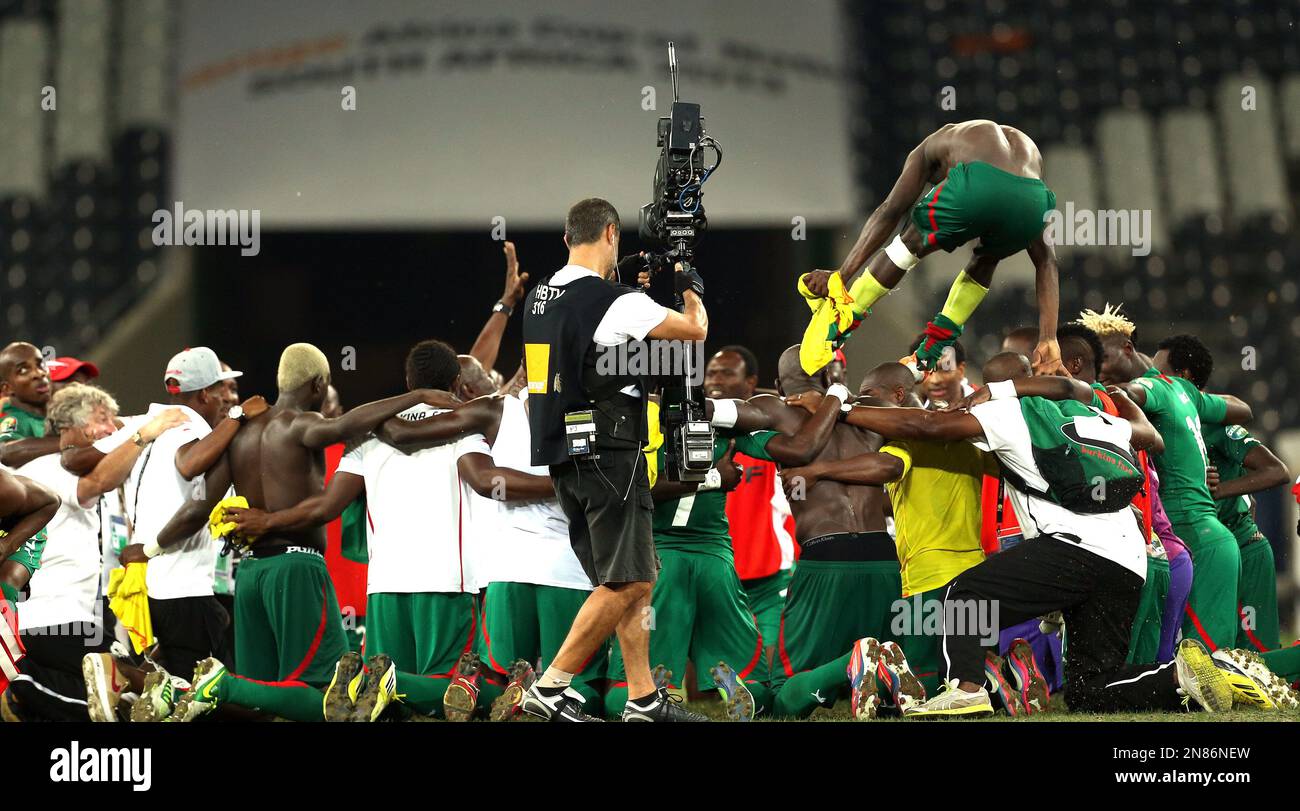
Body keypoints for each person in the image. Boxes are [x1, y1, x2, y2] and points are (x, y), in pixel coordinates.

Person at [790, 367, 1278, 716]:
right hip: (1130, 558)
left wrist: (845, 408)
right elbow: (1150, 436)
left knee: (966, 595)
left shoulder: (1013, 415)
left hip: (1075, 547)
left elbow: (927, 426)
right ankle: (1175, 679)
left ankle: (965, 688)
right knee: (1090, 689)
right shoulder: (1098, 420)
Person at [145, 343, 456, 722]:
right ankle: (217, 685)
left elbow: (198, 506)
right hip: (297, 569)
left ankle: (180, 690)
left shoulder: (239, 434)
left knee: (262, 698)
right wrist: (417, 395)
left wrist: (149, 548)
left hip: (251, 576)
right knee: (331, 691)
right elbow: (346, 424)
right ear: (319, 383)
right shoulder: (298, 422)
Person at [519, 197, 708, 722]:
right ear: (611, 232)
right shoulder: (614, 301)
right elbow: (694, 333)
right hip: (610, 453)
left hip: (564, 455)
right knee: (629, 580)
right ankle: (550, 687)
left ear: (565, 238)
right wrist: (692, 286)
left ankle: (643, 698)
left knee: (631, 576)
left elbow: (585, 359)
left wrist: (627, 300)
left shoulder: (540, 297)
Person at [800, 120, 1063, 376]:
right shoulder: (1014, 145)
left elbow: (889, 212)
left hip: (980, 185)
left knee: (911, 240)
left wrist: (842, 276)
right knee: (988, 258)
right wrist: (1049, 336)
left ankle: (844, 317)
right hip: (1035, 197)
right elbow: (1046, 262)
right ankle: (931, 350)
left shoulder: (926, 151)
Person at [9, 384, 186, 721]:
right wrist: (143, 434)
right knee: (140, 687)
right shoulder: (51, 467)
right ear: (72, 427)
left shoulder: (48, 467)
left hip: (60, 616)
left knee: (84, 702)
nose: (111, 427)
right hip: (56, 617)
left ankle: (21, 696)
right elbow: (99, 481)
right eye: (103, 418)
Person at [1084, 306, 1253, 652]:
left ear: (1127, 350)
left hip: (1188, 534)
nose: (1095, 364)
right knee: (1204, 659)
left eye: (1100, 354)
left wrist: (1094, 394)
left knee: (1204, 663)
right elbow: (1241, 407)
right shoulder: (1183, 390)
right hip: (1206, 537)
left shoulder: (1149, 387)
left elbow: (1132, 394)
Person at [1155, 334, 1290, 653]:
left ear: (1184, 376)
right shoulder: (1162, 421)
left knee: (1256, 660)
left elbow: (1277, 471)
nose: (1152, 378)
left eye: (1159, 372)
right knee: (1212, 653)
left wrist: (1220, 490)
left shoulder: (1215, 421)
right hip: (1203, 549)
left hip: (1243, 549)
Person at [705, 346, 797, 672]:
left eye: (727, 373)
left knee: (771, 673)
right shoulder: (698, 433)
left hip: (771, 575)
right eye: (711, 373)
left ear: (751, 383)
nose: (716, 380)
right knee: (706, 689)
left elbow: (789, 408)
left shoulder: (768, 431)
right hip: (721, 577)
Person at [0, 465, 60, 696]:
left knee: (5, 584)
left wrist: (8, 545)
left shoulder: (5, 489)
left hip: (22, 526)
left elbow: (51, 502)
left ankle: (5, 659)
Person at [0, 342, 58, 468]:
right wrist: (66, 443)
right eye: (23, 370)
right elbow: (6, 452)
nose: (38, 373)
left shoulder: (59, 411)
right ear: (8, 388)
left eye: (40, 365)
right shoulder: (15, 419)